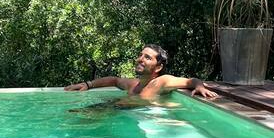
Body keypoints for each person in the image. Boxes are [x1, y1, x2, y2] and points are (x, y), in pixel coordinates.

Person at [64, 45, 217, 101]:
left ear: (158, 67)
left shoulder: (161, 82)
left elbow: (191, 81)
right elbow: (114, 80)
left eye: (147, 57)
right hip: (123, 115)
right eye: (141, 55)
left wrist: (200, 86)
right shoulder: (133, 84)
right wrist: (87, 84)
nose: (140, 59)